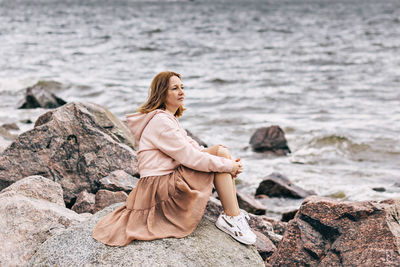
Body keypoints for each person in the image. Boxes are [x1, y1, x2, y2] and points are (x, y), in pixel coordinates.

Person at [92, 71, 257, 246]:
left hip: (163, 183)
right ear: (162, 93)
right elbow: (191, 157)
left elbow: (197, 149)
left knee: (220, 151)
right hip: (158, 189)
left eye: (182, 87)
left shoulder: (168, 119)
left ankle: (233, 215)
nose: (181, 92)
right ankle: (232, 217)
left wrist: (228, 163)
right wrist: (227, 166)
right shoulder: (161, 122)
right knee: (219, 161)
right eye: (174, 88)